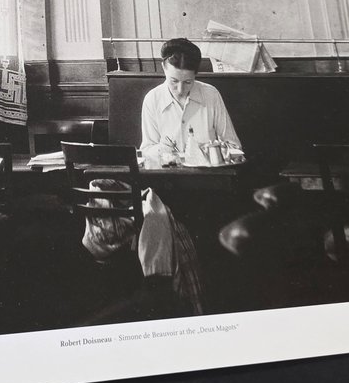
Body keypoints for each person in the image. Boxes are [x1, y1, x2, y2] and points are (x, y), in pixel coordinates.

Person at [83, 38, 242, 315]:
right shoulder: (153, 99)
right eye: (174, 81)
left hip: (208, 189)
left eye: (188, 83)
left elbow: (235, 148)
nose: (181, 89)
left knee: (163, 217)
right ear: (163, 68)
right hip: (167, 185)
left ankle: (165, 291)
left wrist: (213, 151)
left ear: (197, 77)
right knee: (157, 212)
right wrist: (162, 151)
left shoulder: (211, 95)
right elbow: (147, 150)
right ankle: (168, 292)